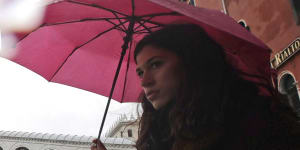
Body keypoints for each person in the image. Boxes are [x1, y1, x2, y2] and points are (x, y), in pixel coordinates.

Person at [91, 23, 300, 150]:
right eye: (140, 72)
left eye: (156, 64)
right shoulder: (158, 134)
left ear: (190, 62)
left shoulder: (251, 122)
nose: (145, 82)